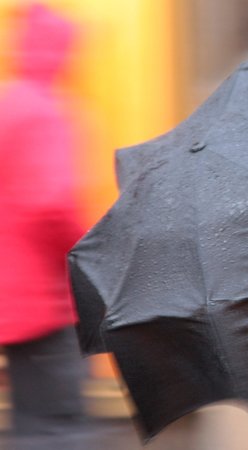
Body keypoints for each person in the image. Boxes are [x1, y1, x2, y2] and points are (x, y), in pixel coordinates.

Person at [0, 4, 88, 448]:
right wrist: (88, 250)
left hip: (10, 302)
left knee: (33, 422)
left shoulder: (6, 102)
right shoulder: (45, 111)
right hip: (45, 303)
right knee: (55, 428)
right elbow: (53, 203)